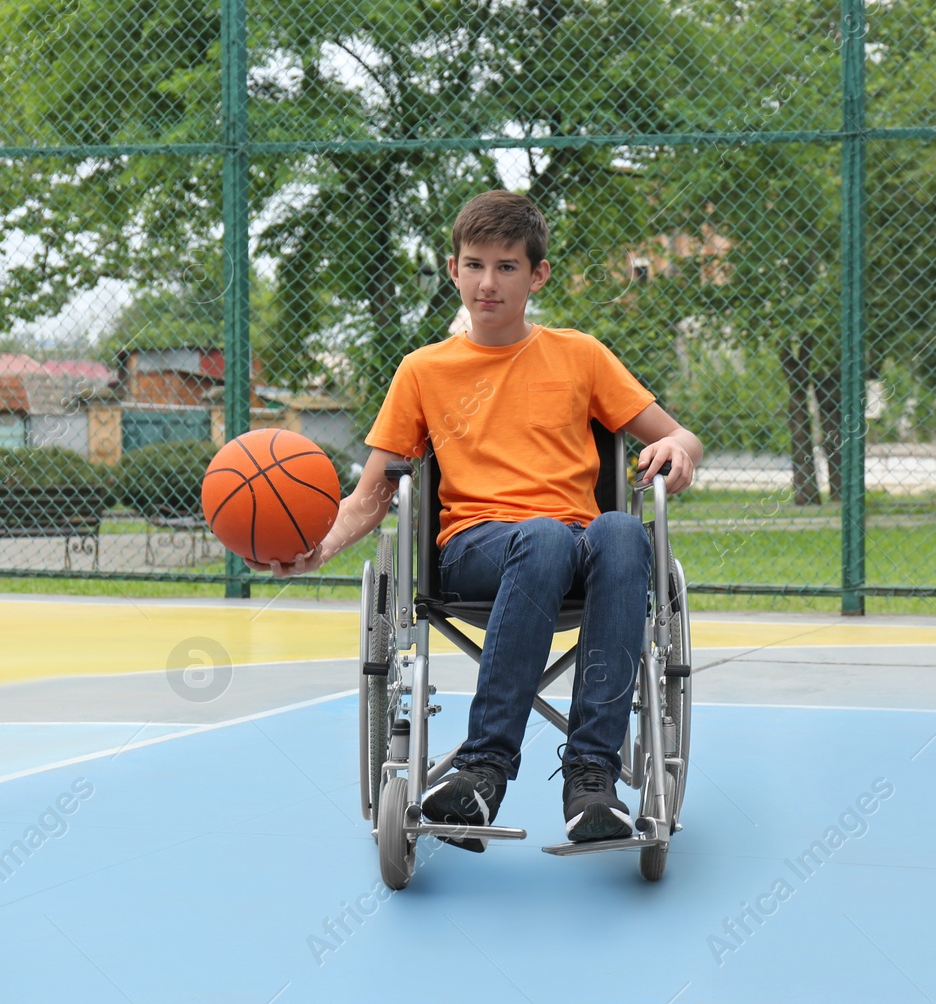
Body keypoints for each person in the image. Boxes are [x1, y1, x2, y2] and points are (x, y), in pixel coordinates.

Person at [249, 190, 702, 850]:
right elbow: (374, 494)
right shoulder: (423, 371)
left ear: (537, 274)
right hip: (473, 551)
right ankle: (484, 767)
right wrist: (319, 548)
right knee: (544, 536)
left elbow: (683, 436)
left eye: (508, 266)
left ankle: (592, 777)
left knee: (624, 530)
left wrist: (675, 451)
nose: (489, 282)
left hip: (578, 547)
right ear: (454, 269)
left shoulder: (580, 355)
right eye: (475, 264)